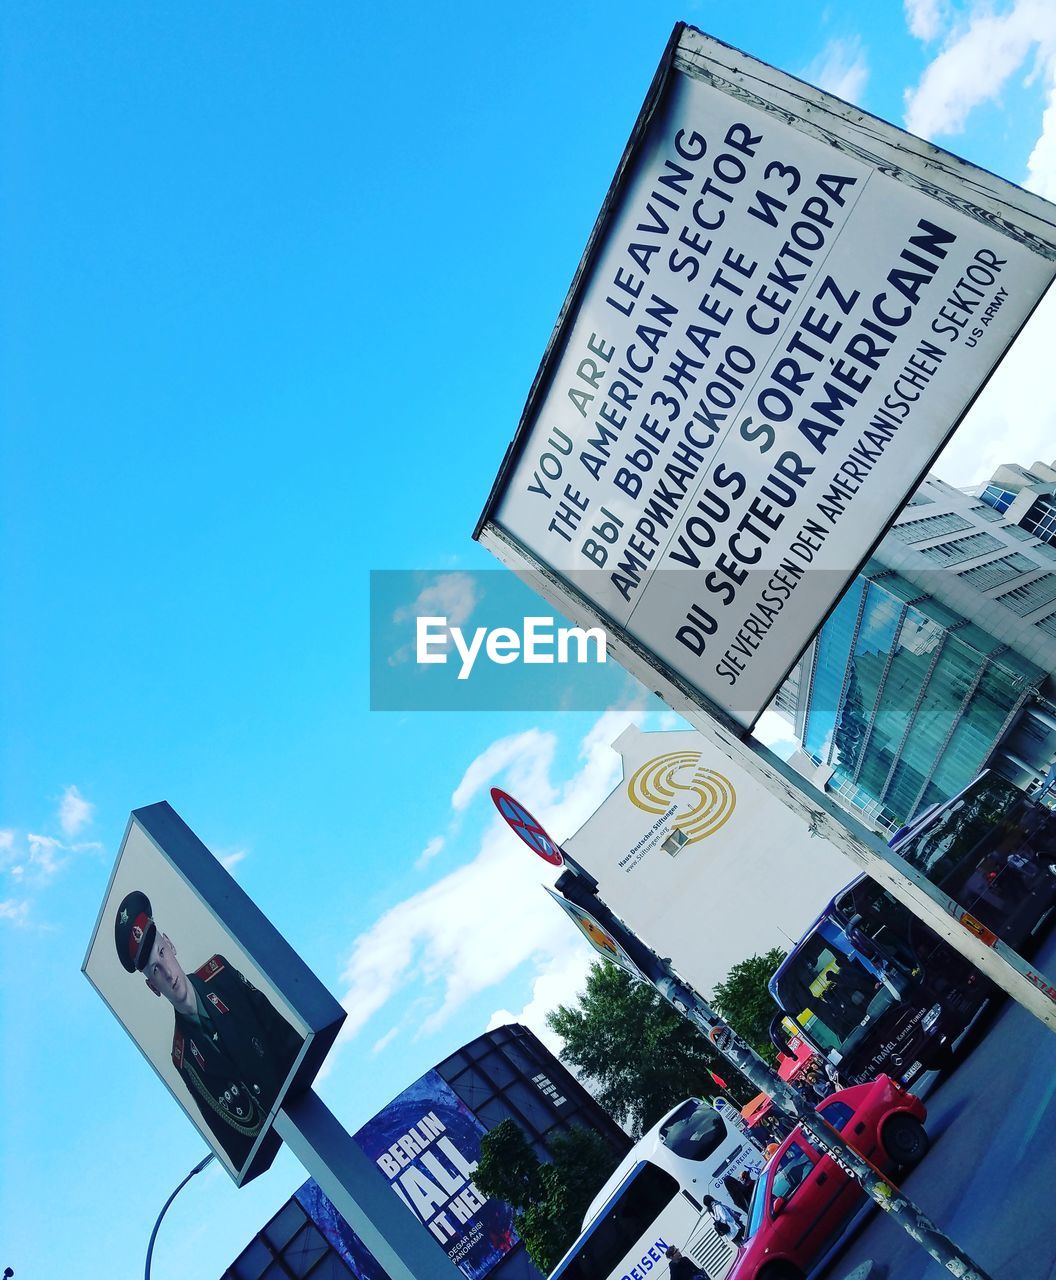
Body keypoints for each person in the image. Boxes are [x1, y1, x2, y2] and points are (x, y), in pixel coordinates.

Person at [115, 889, 303, 1167]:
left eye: (163, 954)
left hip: (301, 1110)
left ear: (171, 945)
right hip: (276, 1158)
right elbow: (229, 1137)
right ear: (152, 987)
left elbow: (283, 1036)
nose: (167, 973)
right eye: (155, 970)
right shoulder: (183, 1058)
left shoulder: (221, 976)